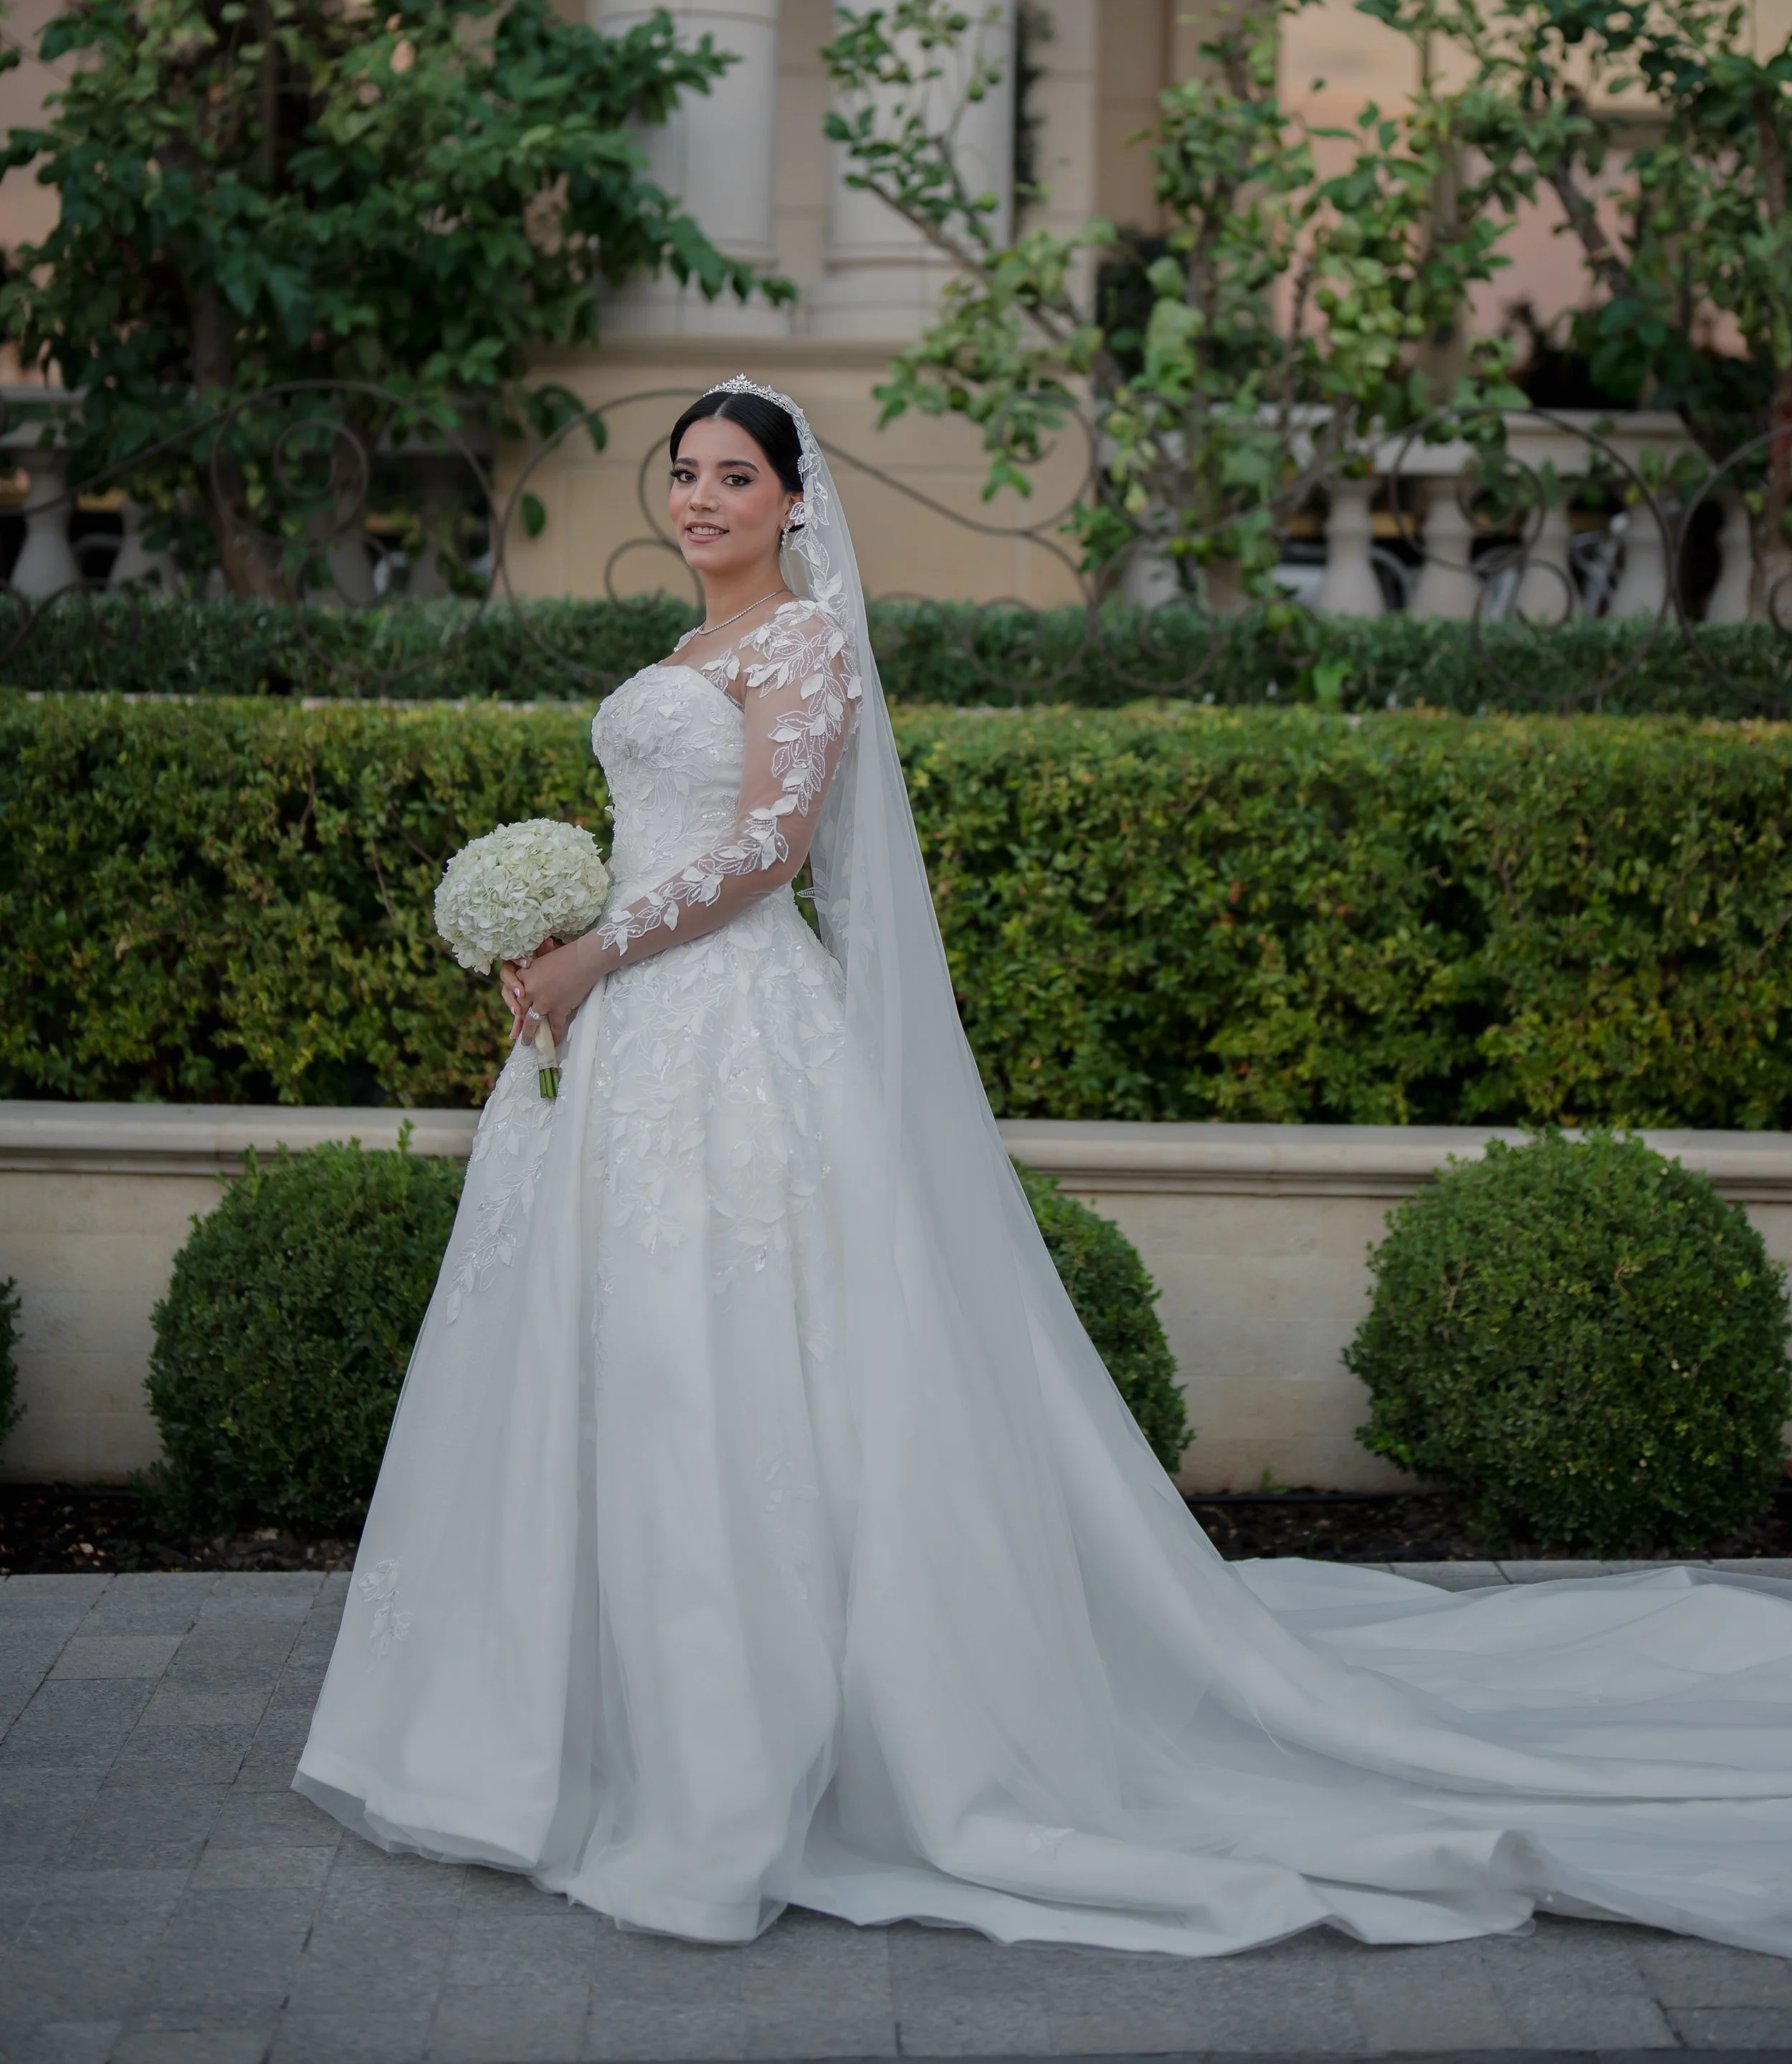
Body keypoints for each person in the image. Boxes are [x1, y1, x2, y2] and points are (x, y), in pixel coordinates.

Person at [297, 376, 1792, 1959]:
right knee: (614, 1361)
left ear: (796, 500)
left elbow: (767, 852)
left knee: (732, 1360)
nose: (702, 500)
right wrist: (554, 950)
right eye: (685, 476)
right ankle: (582, 1728)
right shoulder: (673, 657)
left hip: (736, 1033)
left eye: (735, 476)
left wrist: (595, 946)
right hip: (621, 1047)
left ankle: (769, 1745)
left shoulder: (803, 642)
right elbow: (668, 830)